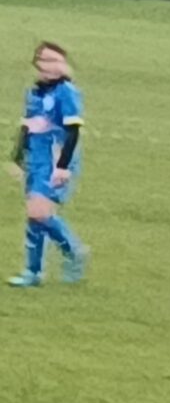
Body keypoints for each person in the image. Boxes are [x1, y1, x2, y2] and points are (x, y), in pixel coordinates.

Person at [8, 42, 89, 288]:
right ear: (37, 64)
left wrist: (63, 166)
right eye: (46, 60)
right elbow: (26, 128)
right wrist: (18, 158)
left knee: (39, 212)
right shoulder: (35, 93)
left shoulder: (66, 92)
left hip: (55, 160)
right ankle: (33, 271)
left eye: (56, 61)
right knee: (35, 216)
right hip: (36, 160)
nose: (51, 66)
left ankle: (73, 251)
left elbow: (73, 131)